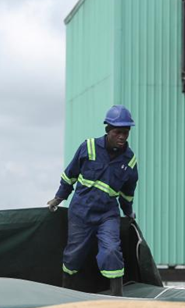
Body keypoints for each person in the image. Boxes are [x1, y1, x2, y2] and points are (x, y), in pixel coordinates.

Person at [47, 105, 138, 297]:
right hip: (81, 213)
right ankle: (65, 294)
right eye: (118, 132)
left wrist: (128, 212)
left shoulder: (129, 161)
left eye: (126, 132)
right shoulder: (88, 147)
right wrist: (58, 198)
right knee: (73, 256)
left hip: (107, 215)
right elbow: (69, 176)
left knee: (112, 250)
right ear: (107, 130)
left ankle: (117, 298)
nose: (122, 136)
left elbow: (127, 193)